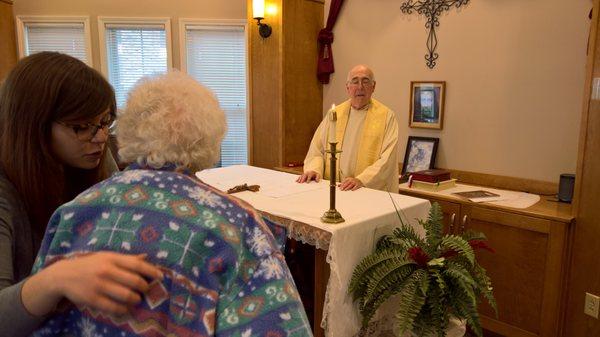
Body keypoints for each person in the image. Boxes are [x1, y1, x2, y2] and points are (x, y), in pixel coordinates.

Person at [30, 72, 313, 337]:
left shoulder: (73, 213)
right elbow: (276, 325)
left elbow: (40, 319)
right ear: (211, 138)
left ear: (128, 129)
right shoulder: (237, 225)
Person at [0, 52, 163, 337]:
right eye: (81, 127)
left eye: (104, 122)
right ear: (33, 127)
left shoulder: (91, 157)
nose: (100, 138)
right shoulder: (4, 195)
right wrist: (56, 278)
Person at [296, 64, 399, 192]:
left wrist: (362, 179)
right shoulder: (335, 114)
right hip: (335, 189)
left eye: (365, 81)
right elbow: (317, 149)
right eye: (355, 82)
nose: (360, 87)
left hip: (365, 191)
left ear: (373, 86)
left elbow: (387, 159)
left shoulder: (387, 116)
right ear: (347, 87)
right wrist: (314, 169)